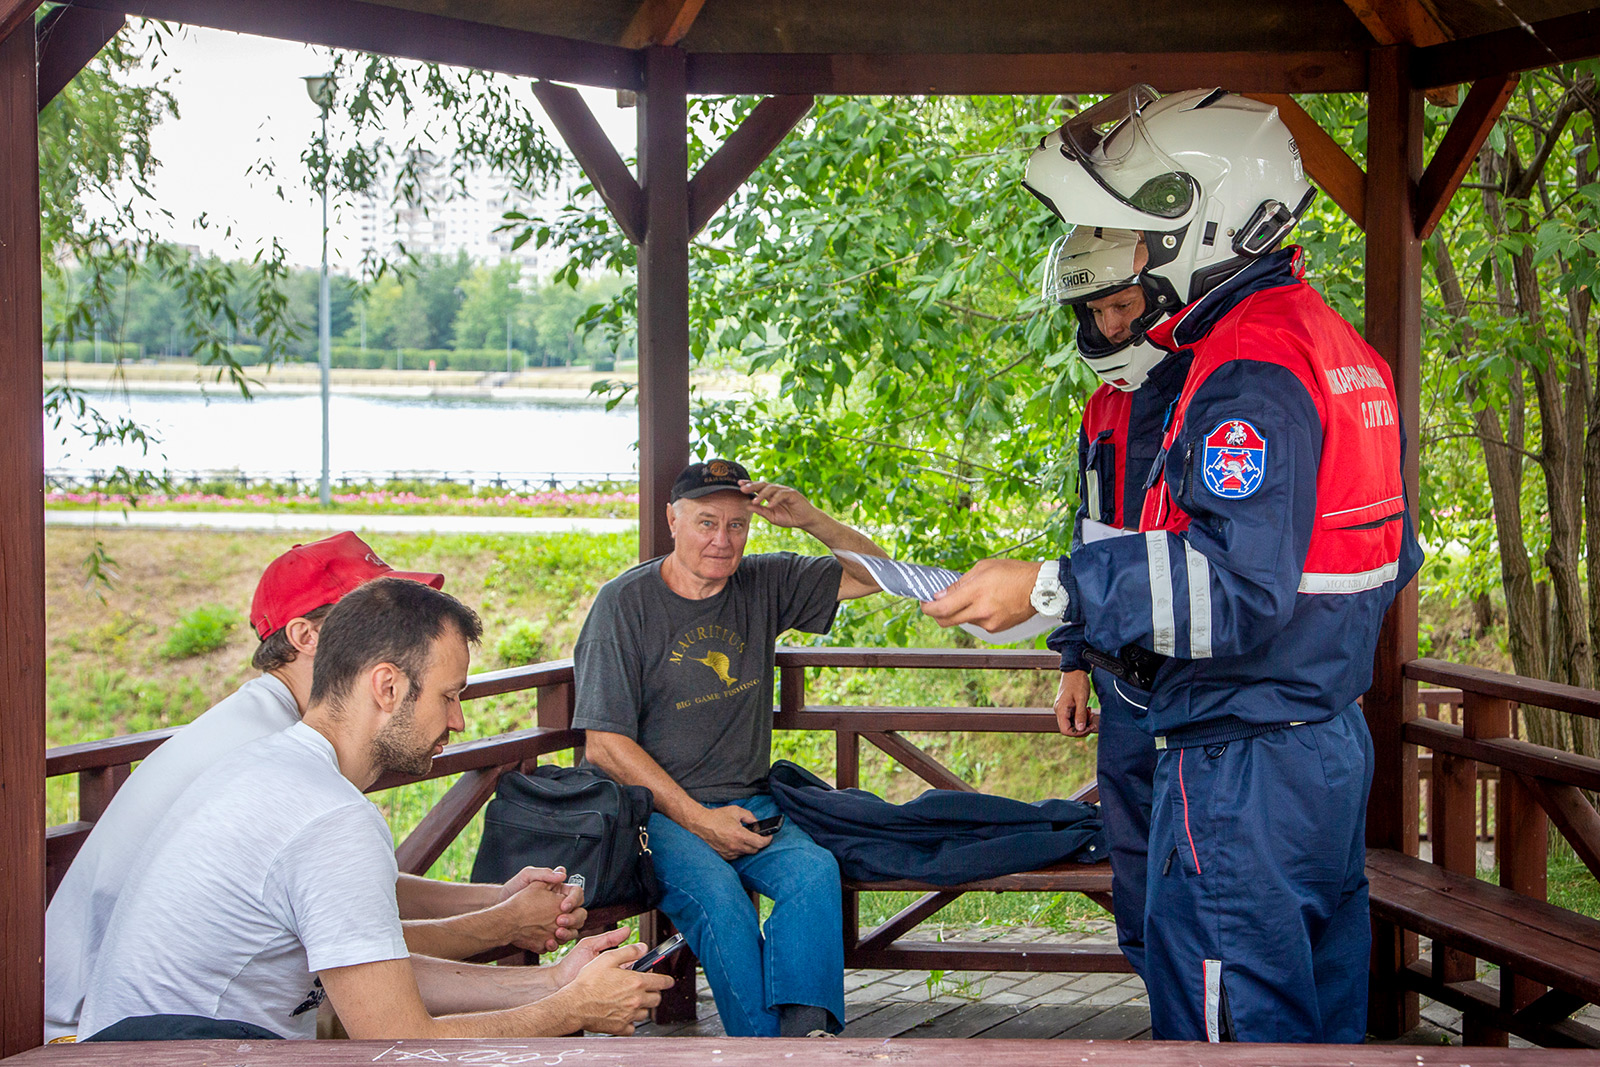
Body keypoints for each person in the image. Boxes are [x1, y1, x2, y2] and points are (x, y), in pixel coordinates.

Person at [924, 87, 1423, 1043]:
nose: (1133, 263)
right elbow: (1390, 555)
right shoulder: (1338, 347)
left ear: (1211, 217)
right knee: (1318, 1014)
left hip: (1244, 754)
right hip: (1322, 737)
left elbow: (1235, 587)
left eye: (1145, 238)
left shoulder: (1246, 365)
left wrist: (1049, 587)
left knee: (1227, 1023)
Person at [78, 578, 674, 1041]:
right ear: (387, 687)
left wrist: (551, 981)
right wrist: (568, 1009)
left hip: (144, 1044)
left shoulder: (269, 764)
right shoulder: (329, 817)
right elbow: (400, 1039)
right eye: (449, 696)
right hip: (180, 1050)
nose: (458, 721)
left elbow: (377, 979)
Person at [572, 458, 886, 1037]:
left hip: (747, 804)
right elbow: (605, 745)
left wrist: (812, 519)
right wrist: (700, 820)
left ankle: (804, 1037)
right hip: (654, 815)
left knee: (814, 873)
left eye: (737, 526)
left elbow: (878, 575)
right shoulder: (623, 605)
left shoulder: (762, 583)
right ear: (673, 519)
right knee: (721, 901)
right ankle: (763, 1051)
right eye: (706, 522)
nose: (722, 540)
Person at [1038, 223, 1193, 981]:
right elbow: (1088, 536)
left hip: (1198, 678)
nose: (1110, 326)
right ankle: (1159, 1009)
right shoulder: (1103, 406)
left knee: (1194, 863)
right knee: (1133, 859)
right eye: (1097, 311)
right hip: (1118, 682)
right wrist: (1073, 658)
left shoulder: (1212, 391)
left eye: (1124, 305)